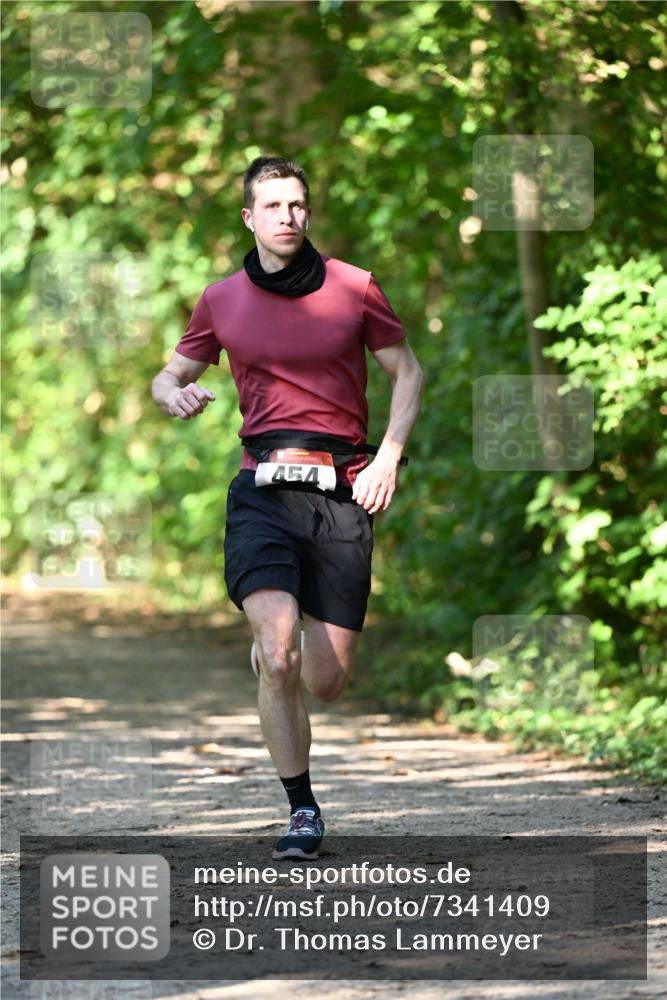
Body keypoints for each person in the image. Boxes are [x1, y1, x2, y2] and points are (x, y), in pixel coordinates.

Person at [151, 156, 424, 860]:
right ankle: (301, 809)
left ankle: (280, 657)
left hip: (342, 490)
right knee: (278, 656)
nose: (286, 216)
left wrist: (388, 456)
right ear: (249, 216)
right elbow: (170, 371)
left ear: (308, 212)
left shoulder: (354, 288)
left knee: (325, 682)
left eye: (296, 204)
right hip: (261, 491)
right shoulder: (221, 299)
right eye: (271, 205)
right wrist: (171, 393)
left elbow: (407, 369)